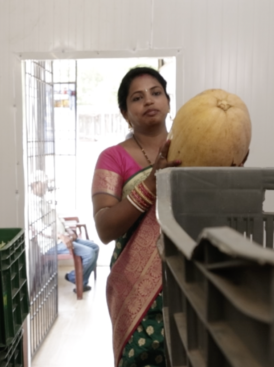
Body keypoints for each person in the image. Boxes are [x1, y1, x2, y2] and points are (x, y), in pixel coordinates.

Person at [95, 67, 249, 367]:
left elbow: (211, 211)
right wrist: (152, 183)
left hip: (190, 273)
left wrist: (229, 172)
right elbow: (104, 227)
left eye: (156, 93)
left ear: (168, 101)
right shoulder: (112, 158)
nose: (149, 101)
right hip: (136, 286)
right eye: (137, 98)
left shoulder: (200, 147)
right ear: (125, 113)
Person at [56, 216, 99, 292]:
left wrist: (70, 232)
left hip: (67, 238)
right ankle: (73, 277)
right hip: (55, 243)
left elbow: (63, 223)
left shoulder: (51, 207)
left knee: (95, 247)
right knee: (89, 253)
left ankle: (82, 282)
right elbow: (42, 229)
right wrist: (61, 236)